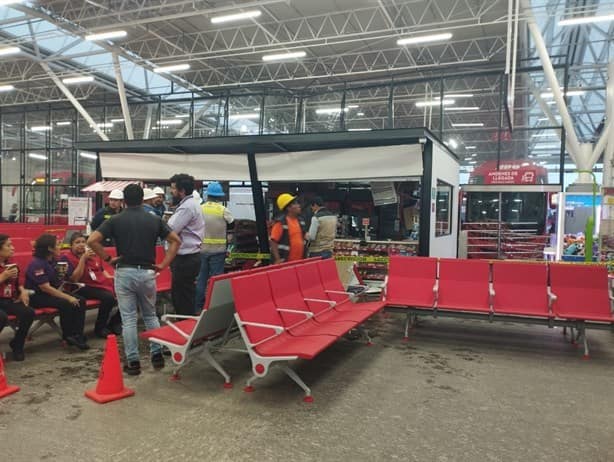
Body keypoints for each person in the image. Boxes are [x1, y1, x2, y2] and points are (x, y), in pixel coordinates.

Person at [88, 184, 181, 376]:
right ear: (142, 199)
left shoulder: (115, 219)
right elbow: (175, 241)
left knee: (129, 319)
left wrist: (107, 259)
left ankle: (133, 363)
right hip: (147, 273)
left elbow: (92, 240)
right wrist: (163, 264)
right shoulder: (154, 220)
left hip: (124, 272)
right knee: (150, 315)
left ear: (123, 200)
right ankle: (156, 354)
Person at [26, 234, 89, 350]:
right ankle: (67, 336)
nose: (60, 247)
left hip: (52, 292)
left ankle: (77, 334)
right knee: (66, 303)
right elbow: (46, 288)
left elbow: (59, 281)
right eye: (58, 245)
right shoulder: (37, 264)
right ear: (50, 248)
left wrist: (61, 277)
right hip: (38, 296)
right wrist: (67, 297)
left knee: (81, 300)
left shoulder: (54, 261)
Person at [60, 232, 121, 339]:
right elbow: (74, 279)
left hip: (98, 284)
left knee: (127, 292)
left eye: (83, 242)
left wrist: (111, 278)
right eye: (77, 242)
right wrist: (83, 259)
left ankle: (114, 322)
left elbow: (101, 271)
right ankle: (100, 328)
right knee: (108, 298)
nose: (81, 245)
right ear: (71, 245)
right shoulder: (66, 258)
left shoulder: (93, 255)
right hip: (79, 287)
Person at [167, 174, 205, 315]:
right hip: (191, 257)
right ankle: (187, 325)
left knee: (182, 297)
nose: (171, 192)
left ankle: (184, 327)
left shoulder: (187, 207)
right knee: (186, 295)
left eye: (173, 188)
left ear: (182, 190)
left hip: (185, 259)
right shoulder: (192, 204)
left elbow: (171, 230)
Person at [194, 181, 234, 312]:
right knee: (216, 280)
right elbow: (232, 224)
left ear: (207, 195)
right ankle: (214, 308)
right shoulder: (223, 210)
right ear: (219, 196)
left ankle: (198, 307)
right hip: (218, 251)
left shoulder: (200, 209)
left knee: (201, 278)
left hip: (201, 250)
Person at [0, 234, 34, 361]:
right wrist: (3, 276)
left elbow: (18, 282)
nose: (13, 248)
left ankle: (17, 344)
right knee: (1, 317)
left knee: (28, 312)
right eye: (8, 245)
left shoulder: (11, 264)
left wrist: (22, 291)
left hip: (8, 300)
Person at [270, 193, 307, 264]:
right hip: (285, 262)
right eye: (295, 204)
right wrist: (277, 259)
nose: (299, 206)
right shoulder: (281, 223)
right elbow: (273, 241)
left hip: (299, 261)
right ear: (288, 208)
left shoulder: (300, 221)